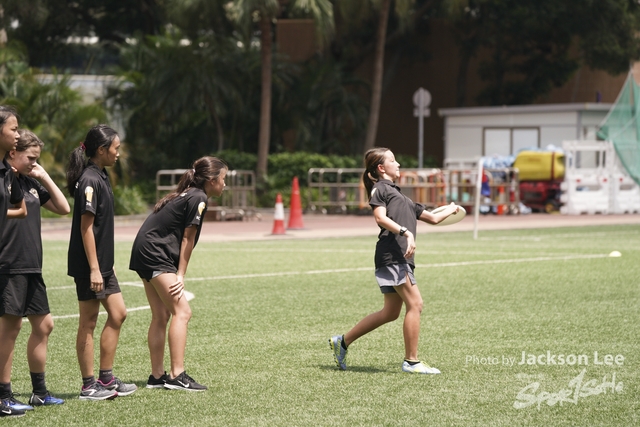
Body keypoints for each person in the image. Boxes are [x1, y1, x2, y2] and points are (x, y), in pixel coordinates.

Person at [329, 147, 459, 374]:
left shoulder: (402, 198)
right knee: (416, 304)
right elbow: (380, 218)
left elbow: (433, 218)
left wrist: (451, 208)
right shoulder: (380, 189)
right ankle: (412, 362)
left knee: (390, 312)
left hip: (398, 257)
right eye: (393, 160)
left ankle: (343, 341)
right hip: (393, 255)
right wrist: (405, 233)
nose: (398, 164)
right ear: (381, 168)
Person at [129, 156, 227, 391]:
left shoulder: (189, 193)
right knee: (182, 312)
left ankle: (157, 376)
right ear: (212, 180)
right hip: (155, 254)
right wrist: (180, 274)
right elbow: (187, 239)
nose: (225, 184)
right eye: (223, 179)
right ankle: (176, 375)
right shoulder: (199, 197)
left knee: (160, 315)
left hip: (144, 251)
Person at [0, 130, 71, 411]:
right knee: (10, 328)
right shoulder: (3, 180)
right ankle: (3, 395)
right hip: (9, 264)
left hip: (32, 265)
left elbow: (63, 208)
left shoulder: (30, 183)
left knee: (44, 325)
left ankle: (39, 392)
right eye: (30, 158)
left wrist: (43, 176)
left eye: (37, 159)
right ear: (12, 153)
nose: (34, 163)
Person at [66, 124, 136, 400]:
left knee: (118, 314)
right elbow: (86, 227)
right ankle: (88, 386)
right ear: (101, 150)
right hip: (89, 266)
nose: (119, 153)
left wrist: (106, 263)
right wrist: (95, 268)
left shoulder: (101, 175)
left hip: (103, 265)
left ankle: (105, 378)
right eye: (116, 148)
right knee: (89, 321)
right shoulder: (89, 180)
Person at [0, 107, 27, 418]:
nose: (18, 135)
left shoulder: (7, 172)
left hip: (4, 262)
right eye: (13, 129)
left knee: (10, 325)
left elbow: (20, 207)